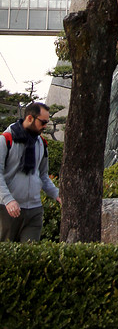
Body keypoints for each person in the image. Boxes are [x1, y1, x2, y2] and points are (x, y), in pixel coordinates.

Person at [0, 101, 60, 242]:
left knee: (30, 255)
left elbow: (43, 175)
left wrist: (57, 194)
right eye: (43, 122)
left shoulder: (42, 143)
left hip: (34, 210)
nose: (45, 126)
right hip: (7, 209)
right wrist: (8, 200)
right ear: (29, 118)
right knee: (7, 258)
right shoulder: (6, 140)